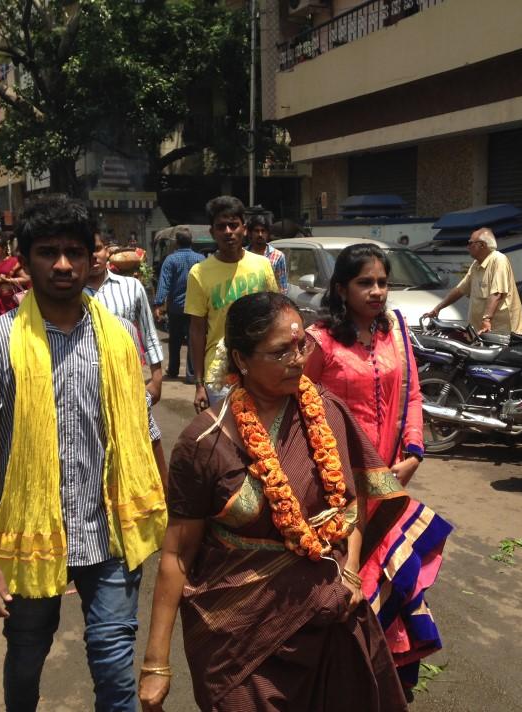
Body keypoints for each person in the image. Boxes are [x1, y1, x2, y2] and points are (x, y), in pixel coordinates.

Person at [138, 291, 408, 712]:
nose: (298, 360)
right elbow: (177, 552)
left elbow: (351, 508)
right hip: (237, 642)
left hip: (327, 623)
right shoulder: (203, 443)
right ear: (241, 360)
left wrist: (352, 570)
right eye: (280, 352)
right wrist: (156, 662)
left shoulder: (327, 410)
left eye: (301, 346)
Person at [0, 195, 167, 712]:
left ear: (93, 259)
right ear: (25, 261)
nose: (64, 264)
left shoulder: (119, 337)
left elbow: (143, 425)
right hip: (29, 534)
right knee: (25, 658)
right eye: (49, 252)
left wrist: (173, 515)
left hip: (109, 531)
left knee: (115, 666)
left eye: (74, 251)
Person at [305, 243, 452, 688]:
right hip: (337, 487)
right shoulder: (320, 340)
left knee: (394, 580)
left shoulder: (396, 331)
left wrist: (413, 453)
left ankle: (389, 678)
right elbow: (300, 408)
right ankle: (341, 679)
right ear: (340, 288)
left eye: (382, 283)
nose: (376, 292)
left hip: (389, 481)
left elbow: (411, 394)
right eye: (364, 283)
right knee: (343, 585)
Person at [185, 195, 279, 411]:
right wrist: (199, 384)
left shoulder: (262, 265)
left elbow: (276, 314)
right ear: (212, 232)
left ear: (243, 229)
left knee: (262, 439)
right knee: (226, 441)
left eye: (233, 225)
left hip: (260, 369)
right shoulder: (199, 273)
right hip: (219, 378)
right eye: (221, 226)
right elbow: (197, 331)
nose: (228, 231)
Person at [86, 231, 164, 403]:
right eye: (86, 251)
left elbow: (148, 332)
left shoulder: (131, 286)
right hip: (85, 385)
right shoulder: (71, 294)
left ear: (107, 251)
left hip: (127, 379)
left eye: (97, 249)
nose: (93, 256)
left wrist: (156, 378)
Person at [424, 227, 522, 334]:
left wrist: (486, 319)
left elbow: (496, 293)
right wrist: (438, 308)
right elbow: (460, 290)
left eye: (470, 243)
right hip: (483, 332)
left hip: (504, 332)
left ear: (482, 245)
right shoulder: (476, 265)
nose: (467, 247)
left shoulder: (498, 260)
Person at [153, 226, 203, 382]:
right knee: (193, 339)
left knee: (174, 339)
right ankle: (191, 374)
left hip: (175, 307)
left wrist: (158, 304)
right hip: (195, 307)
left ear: (176, 243)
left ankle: (173, 370)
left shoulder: (170, 260)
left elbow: (164, 283)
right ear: (191, 242)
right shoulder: (201, 259)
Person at [247, 214, 288, 294]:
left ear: (268, 233)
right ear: (250, 233)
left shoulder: (278, 256)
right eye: (256, 231)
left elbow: (282, 288)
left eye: (263, 231)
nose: (260, 235)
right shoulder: (243, 253)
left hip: (268, 303)